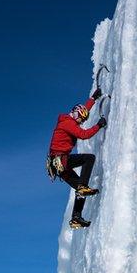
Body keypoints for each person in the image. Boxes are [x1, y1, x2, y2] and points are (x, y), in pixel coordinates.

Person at [47, 88, 108, 229]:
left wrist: (93, 99)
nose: (81, 121)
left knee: (81, 189)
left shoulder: (71, 120)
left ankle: (76, 218)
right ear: (75, 114)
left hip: (59, 166)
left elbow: (83, 110)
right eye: (80, 119)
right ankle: (82, 187)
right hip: (61, 160)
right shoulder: (68, 123)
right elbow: (84, 135)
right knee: (89, 159)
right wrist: (99, 125)